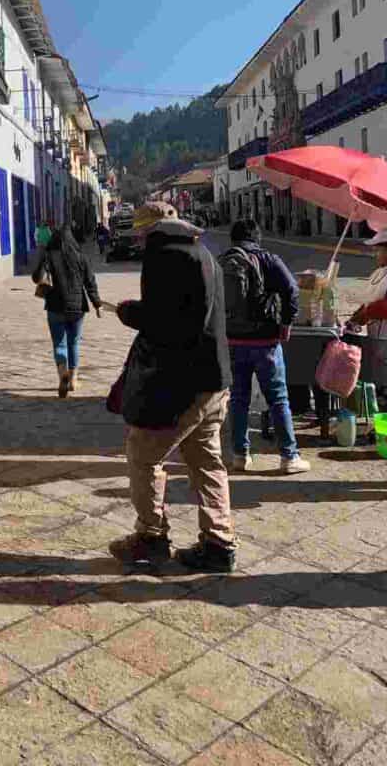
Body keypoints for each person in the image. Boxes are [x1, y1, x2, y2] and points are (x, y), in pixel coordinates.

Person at [108, 218, 237, 573]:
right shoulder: (205, 254)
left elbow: (168, 323)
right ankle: (218, 543)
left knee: (143, 454)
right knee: (207, 461)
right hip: (215, 380)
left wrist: (131, 312)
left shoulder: (165, 256)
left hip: (183, 383)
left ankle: (151, 536)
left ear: (152, 232)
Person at [220, 220, 310, 474]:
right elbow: (291, 289)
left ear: (233, 238)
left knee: (238, 399)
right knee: (278, 399)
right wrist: (286, 322)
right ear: (257, 237)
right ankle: (289, 457)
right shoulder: (268, 259)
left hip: (233, 342)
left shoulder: (222, 260)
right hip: (266, 343)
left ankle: (240, 455)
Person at [31, 225, 102, 397]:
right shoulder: (81, 257)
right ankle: (73, 379)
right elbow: (90, 282)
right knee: (73, 343)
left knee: (59, 343)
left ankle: (62, 374)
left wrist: (42, 252)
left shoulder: (49, 256)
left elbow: (36, 278)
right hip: (77, 307)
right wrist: (97, 303)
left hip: (55, 306)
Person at [347, 227, 387, 407]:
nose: (376, 254)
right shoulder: (382, 272)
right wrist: (360, 314)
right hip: (380, 343)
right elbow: (372, 300)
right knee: (381, 393)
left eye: (379, 249)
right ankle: (384, 433)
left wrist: (369, 312)